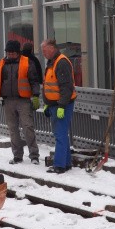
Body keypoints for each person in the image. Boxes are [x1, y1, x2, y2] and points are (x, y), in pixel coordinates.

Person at [0, 40, 42, 164]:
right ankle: (17, 155)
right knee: (12, 129)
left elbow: (34, 81)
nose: (10, 55)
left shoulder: (27, 62)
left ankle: (34, 155)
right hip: (8, 100)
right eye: (8, 53)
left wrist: (35, 96)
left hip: (23, 100)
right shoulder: (1, 63)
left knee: (28, 127)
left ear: (18, 52)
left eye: (13, 53)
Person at [41, 38, 77, 174]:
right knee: (61, 134)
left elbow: (66, 87)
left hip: (62, 105)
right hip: (55, 104)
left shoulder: (61, 62)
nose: (43, 53)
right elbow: (49, 85)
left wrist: (61, 105)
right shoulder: (52, 62)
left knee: (60, 135)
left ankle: (59, 165)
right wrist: (47, 103)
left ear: (51, 48)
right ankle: (66, 163)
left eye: (44, 50)